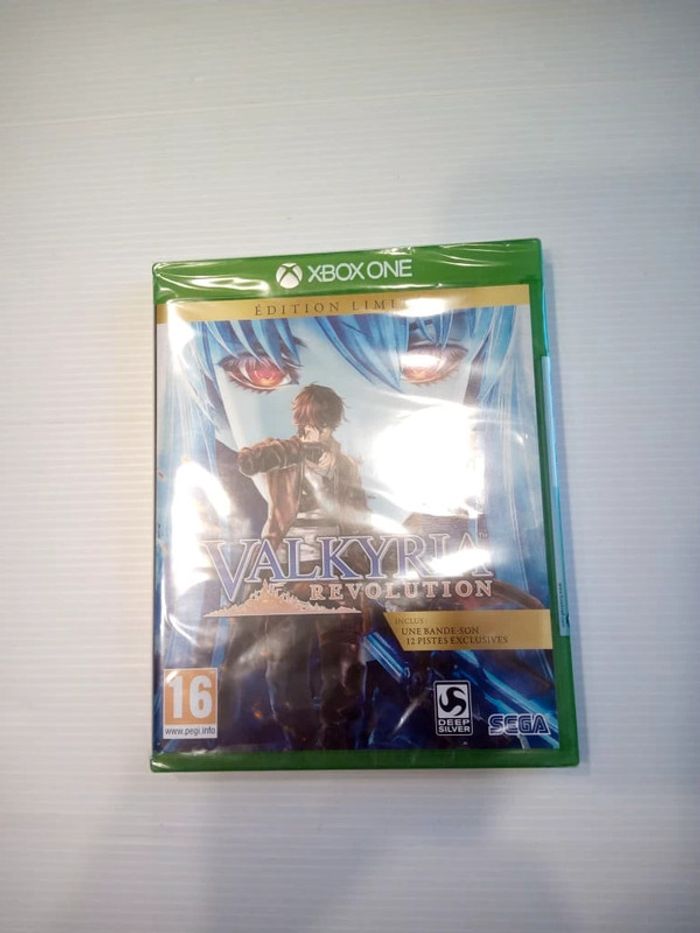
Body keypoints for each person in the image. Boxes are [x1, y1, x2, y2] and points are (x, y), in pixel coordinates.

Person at [236, 384, 369, 750]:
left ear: (333, 424)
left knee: (344, 662)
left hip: (335, 572)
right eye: (311, 425)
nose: (317, 432)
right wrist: (297, 448)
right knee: (284, 663)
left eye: (324, 425)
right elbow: (247, 461)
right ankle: (299, 739)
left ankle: (336, 739)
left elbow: (361, 522)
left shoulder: (345, 465)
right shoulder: (281, 454)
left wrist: (364, 580)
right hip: (287, 570)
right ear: (301, 422)